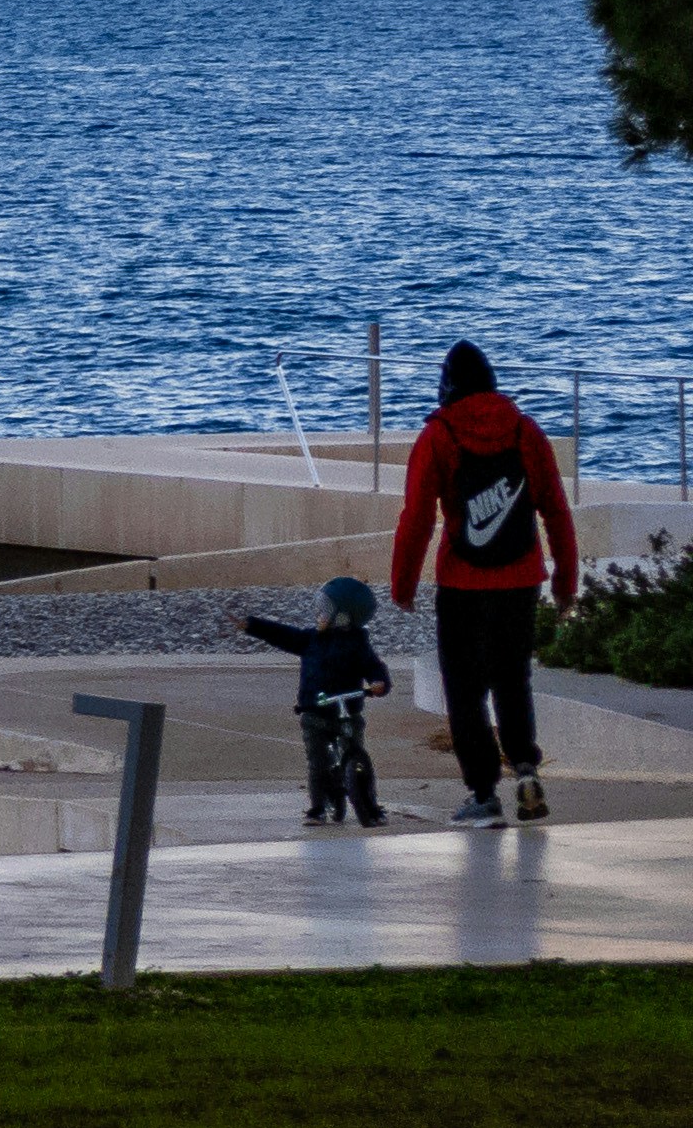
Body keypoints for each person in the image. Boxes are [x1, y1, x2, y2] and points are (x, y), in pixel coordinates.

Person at [390, 340, 582, 823]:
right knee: (513, 680)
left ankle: (482, 794)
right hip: (521, 579)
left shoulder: (438, 435)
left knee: (465, 690)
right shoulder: (525, 431)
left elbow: (416, 518)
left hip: (463, 583)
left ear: (447, 385)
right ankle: (524, 768)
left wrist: (403, 585)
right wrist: (565, 582)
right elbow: (557, 511)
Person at [240, 573, 394, 826]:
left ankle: (371, 806)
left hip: (347, 712)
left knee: (357, 756)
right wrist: (254, 626)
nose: (319, 615)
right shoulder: (311, 639)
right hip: (314, 712)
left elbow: (375, 668)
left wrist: (380, 684)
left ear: (343, 616)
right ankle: (317, 808)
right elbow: (283, 635)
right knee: (318, 763)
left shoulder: (358, 645)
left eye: (327, 610)